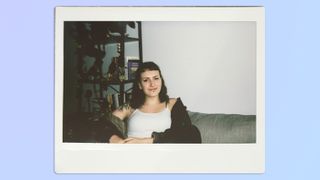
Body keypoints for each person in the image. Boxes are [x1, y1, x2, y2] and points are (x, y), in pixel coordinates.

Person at [102, 61, 201, 143]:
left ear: (161, 81)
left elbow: (191, 133)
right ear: (140, 85)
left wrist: (147, 141)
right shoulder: (130, 106)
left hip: (161, 157)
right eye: (146, 80)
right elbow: (102, 123)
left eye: (156, 78)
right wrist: (115, 139)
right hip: (132, 156)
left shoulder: (172, 104)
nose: (152, 84)